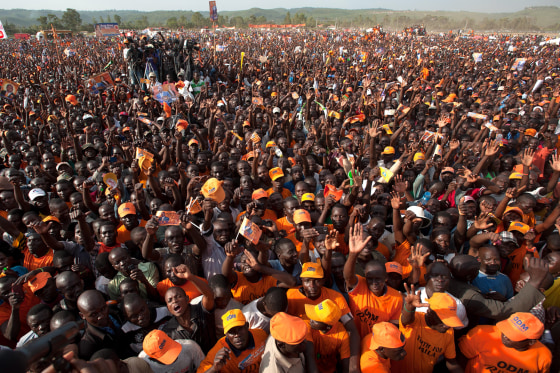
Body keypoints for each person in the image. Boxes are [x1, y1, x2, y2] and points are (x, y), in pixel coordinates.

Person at [344, 224, 403, 338]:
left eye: (378, 279)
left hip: (377, 344)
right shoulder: (360, 285)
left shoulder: (396, 298)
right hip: (354, 339)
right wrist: (353, 253)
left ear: (385, 278)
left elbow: (393, 327)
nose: (374, 282)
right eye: (370, 279)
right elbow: (348, 277)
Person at [391, 286, 463, 373]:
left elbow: (451, 362)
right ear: (430, 312)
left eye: (450, 321)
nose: (447, 326)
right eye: (443, 320)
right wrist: (410, 307)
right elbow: (406, 319)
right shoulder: (416, 319)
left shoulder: (449, 332)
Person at [458, 312, 552, 373]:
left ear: (531, 342)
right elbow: (459, 358)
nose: (505, 336)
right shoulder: (481, 333)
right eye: (506, 329)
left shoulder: (543, 357)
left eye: (512, 335)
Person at [197, 309, 268, 372]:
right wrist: (214, 368)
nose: (237, 335)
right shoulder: (218, 352)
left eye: (240, 328)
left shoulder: (261, 335)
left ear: (247, 326)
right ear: (226, 334)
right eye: (231, 332)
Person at [304, 299, 351, 373]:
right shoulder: (307, 325)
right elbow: (309, 355)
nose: (311, 319)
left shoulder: (342, 335)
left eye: (316, 319)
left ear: (328, 326)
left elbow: (346, 365)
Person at [139, 329, 204, 373]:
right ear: (151, 358)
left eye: (169, 348)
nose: (174, 357)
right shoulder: (142, 363)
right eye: (165, 355)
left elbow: (205, 368)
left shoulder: (190, 347)